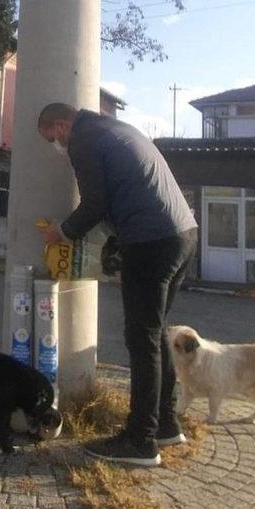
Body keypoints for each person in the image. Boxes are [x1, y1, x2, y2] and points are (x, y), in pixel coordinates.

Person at [37, 102, 198, 467]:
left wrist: (60, 232)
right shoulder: (116, 129)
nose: (56, 146)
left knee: (141, 338)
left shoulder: (83, 139)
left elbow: (95, 203)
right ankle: (166, 425)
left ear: (62, 125)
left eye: (52, 139)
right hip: (183, 234)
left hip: (151, 240)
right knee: (154, 334)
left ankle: (140, 441)